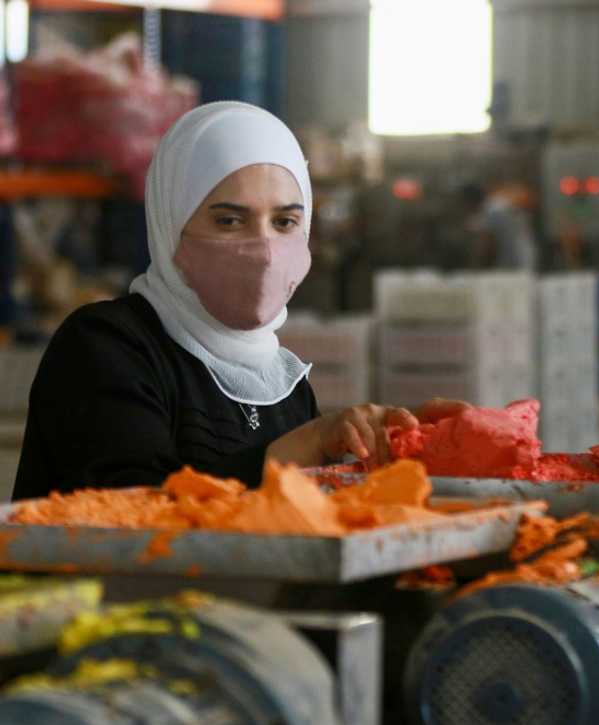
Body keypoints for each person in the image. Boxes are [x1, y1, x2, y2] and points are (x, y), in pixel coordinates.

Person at [14, 102, 459, 500]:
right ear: (171, 224)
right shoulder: (106, 347)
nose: (264, 250)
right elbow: (131, 516)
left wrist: (396, 444)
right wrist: (301, 448)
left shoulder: (282, 384)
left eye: (284, 222)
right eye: (229, 220)